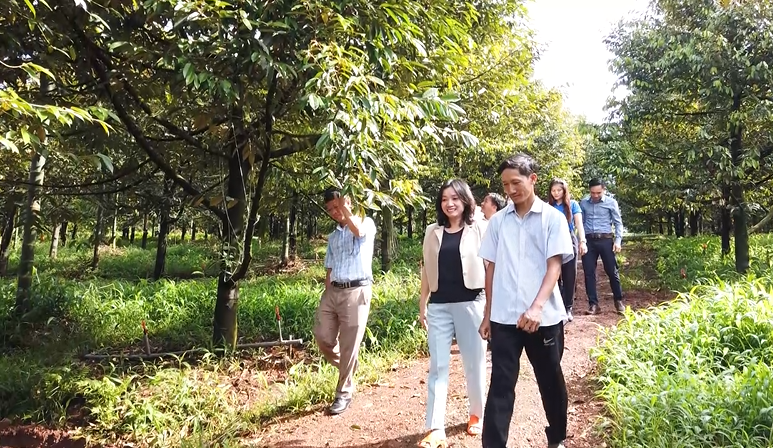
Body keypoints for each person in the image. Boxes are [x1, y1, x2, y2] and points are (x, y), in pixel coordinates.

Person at [478, 154, 574, 448]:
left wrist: (536, 307)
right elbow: (491, 268)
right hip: (504, 317)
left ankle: (556, 437)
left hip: (543, 318)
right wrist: (488, 314)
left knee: (550, 379)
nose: (510, 190)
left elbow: (554, 266)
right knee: (501, 384)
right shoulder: (498, 223)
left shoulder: (552, 219)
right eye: (505, 184)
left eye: (516, 182)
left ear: (533, 179)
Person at [418, 179, 488, 448]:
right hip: (439, 306)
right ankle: (436, 427)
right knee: (438, 366)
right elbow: (426, 268)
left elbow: (490, 267)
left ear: (465, 200)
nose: (450, 203)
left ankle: (476, 414)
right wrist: (423, 302)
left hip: (472, 303)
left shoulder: (479, 228)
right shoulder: (432, 231)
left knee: (474, 362)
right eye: (445, 199)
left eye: (455, 198)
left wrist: (489, 309)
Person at [313, 188, 377, 415]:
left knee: (349, 344)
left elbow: (358, 231)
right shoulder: (333, 237)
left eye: (337, 205)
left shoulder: (366, 223)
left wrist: (346, 208)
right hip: (333, 291)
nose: (334, 211)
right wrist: (327, 292)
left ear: (348, 202)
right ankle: (349, 365)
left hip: (356, 290)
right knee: (322, 337)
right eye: (330, 209)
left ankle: (344, 393)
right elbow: (329, 268)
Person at [579, 179, 625, 315]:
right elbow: (580, 223)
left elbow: (618, 223)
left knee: (612, 271)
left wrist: (618, 241)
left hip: (606, 240)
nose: (595, 195)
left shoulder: (611, 203)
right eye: (592, 193)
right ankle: (593, 304)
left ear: (604, 190)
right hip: (589, 241)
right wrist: (581, 241)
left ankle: (618, 301)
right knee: (589, 273)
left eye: (598, 193)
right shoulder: (584, 203)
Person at [547, 178, 587, 322]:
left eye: (559, 190)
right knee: (554, 274)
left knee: (570, 275)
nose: (556, 193)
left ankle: (568, 307)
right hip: (552, 241)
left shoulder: (573, 204)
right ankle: (556, 307)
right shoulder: (548, 206)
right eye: (553, 190)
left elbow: (579, 224)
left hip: (569, 239)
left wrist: (583, 241)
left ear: (564, 191)